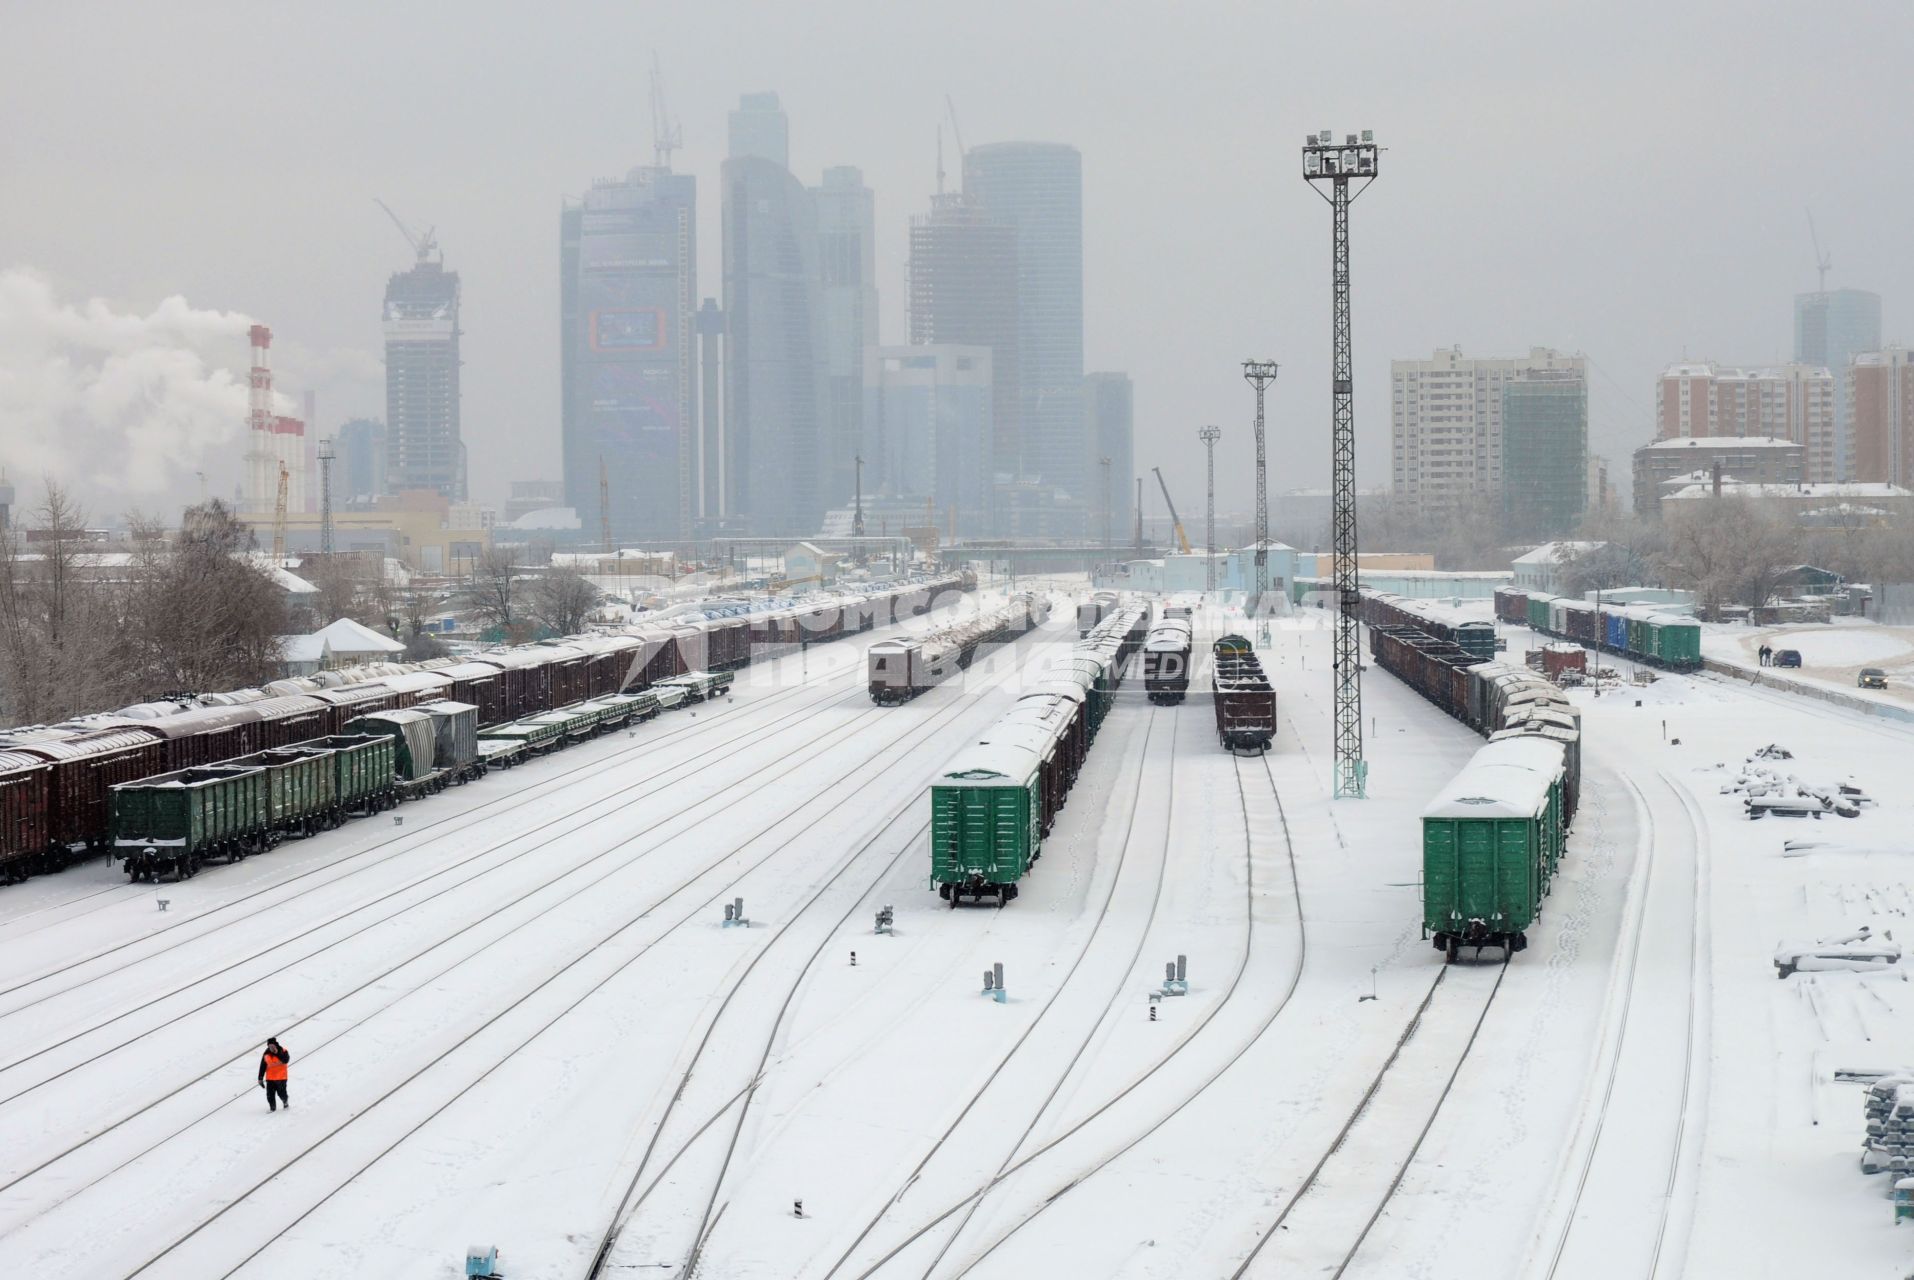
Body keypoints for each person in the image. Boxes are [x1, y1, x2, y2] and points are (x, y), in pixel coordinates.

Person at [259, 1037, 291, 1112]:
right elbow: (262, 1066)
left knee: (281, 1094)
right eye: (269, 1046)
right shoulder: (266, 1054)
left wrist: (277, 1053)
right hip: (270, 1078)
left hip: (281, 1078)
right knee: (270, 1095)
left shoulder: (283, 1051)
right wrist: (260, 1078)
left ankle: (285, 1102)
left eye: (272, 1045)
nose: (271, 1047)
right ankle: (272, 1108)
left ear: (276, 1044)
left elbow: (286, 1060)